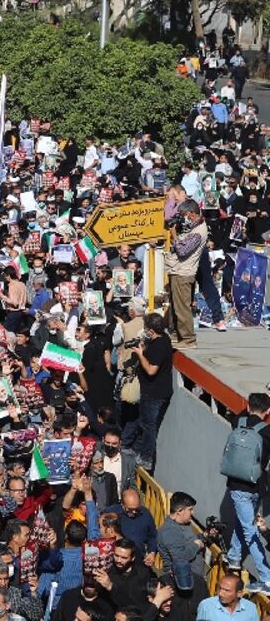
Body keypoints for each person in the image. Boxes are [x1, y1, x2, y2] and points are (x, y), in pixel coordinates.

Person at [222, 392, 270, 592]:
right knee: (245, 522)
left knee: (249, 529)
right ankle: (234, 556)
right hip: (257, 486)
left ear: (249, 406)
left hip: (237, 485)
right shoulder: (267, 431)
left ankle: (267, 578)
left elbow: (243, 413)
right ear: (268, 412)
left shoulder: (238, 422)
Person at [122, 313, 172, 470]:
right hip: (158, 391)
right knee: (144, 423)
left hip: (153, 393)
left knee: (148, 426)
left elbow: (151, 370)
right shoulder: (164, 339)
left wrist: (140, 354)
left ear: (150, 330)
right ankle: (139, 450)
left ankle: (146, 458)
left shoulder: (158, 346)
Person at [163, 200, 206, 349]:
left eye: (184, 215)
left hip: (184, 273)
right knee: (175, 307)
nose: (182, 218)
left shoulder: (199, 232)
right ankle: (177, 335)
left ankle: (188, 339)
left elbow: (182, 250)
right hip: (178, 271)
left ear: (192, 214)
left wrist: (174, 235)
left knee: (182, 308)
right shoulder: (192, 227)